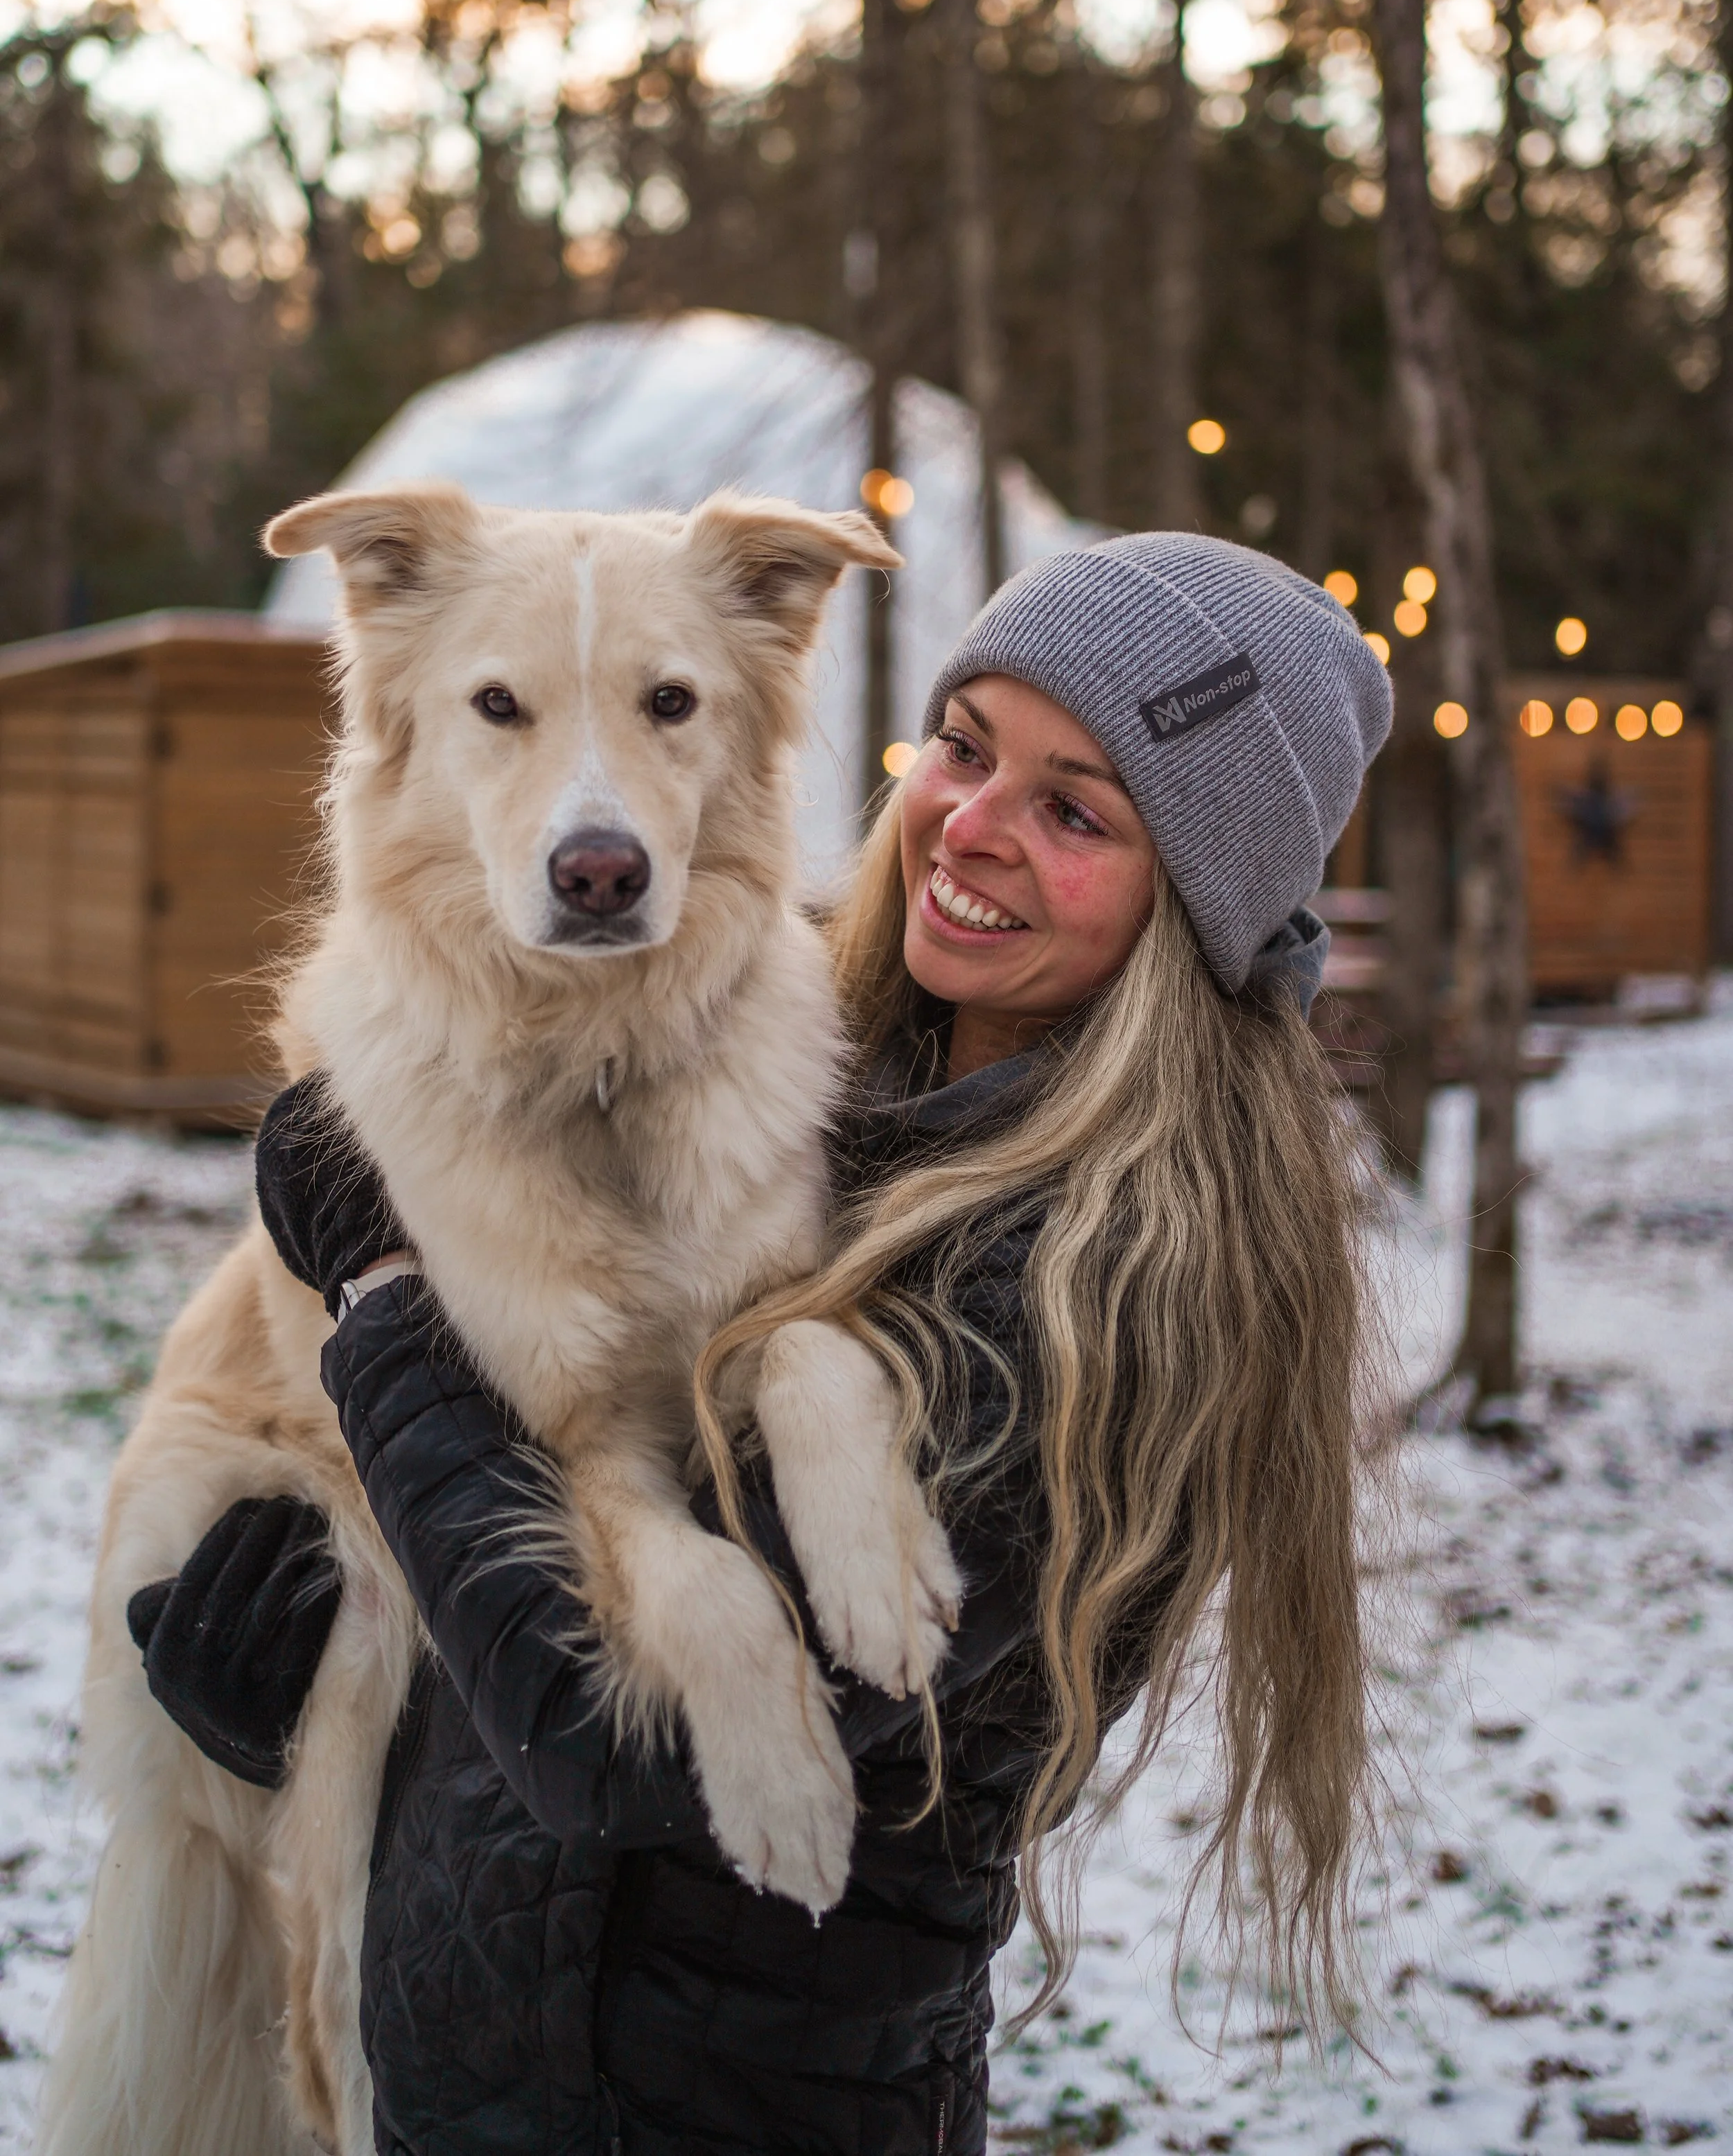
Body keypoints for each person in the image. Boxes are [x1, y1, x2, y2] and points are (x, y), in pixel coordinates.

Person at [128, 532, 1392, 2156]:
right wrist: (315, 1693)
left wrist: (379, 1288)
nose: (971, 828)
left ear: (1193, 900)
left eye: (1074, 811)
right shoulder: (818, 1067)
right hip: (486, 2075)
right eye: (962, 748)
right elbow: (552, 1516)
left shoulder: (1117, 1274)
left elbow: (606, 1742)